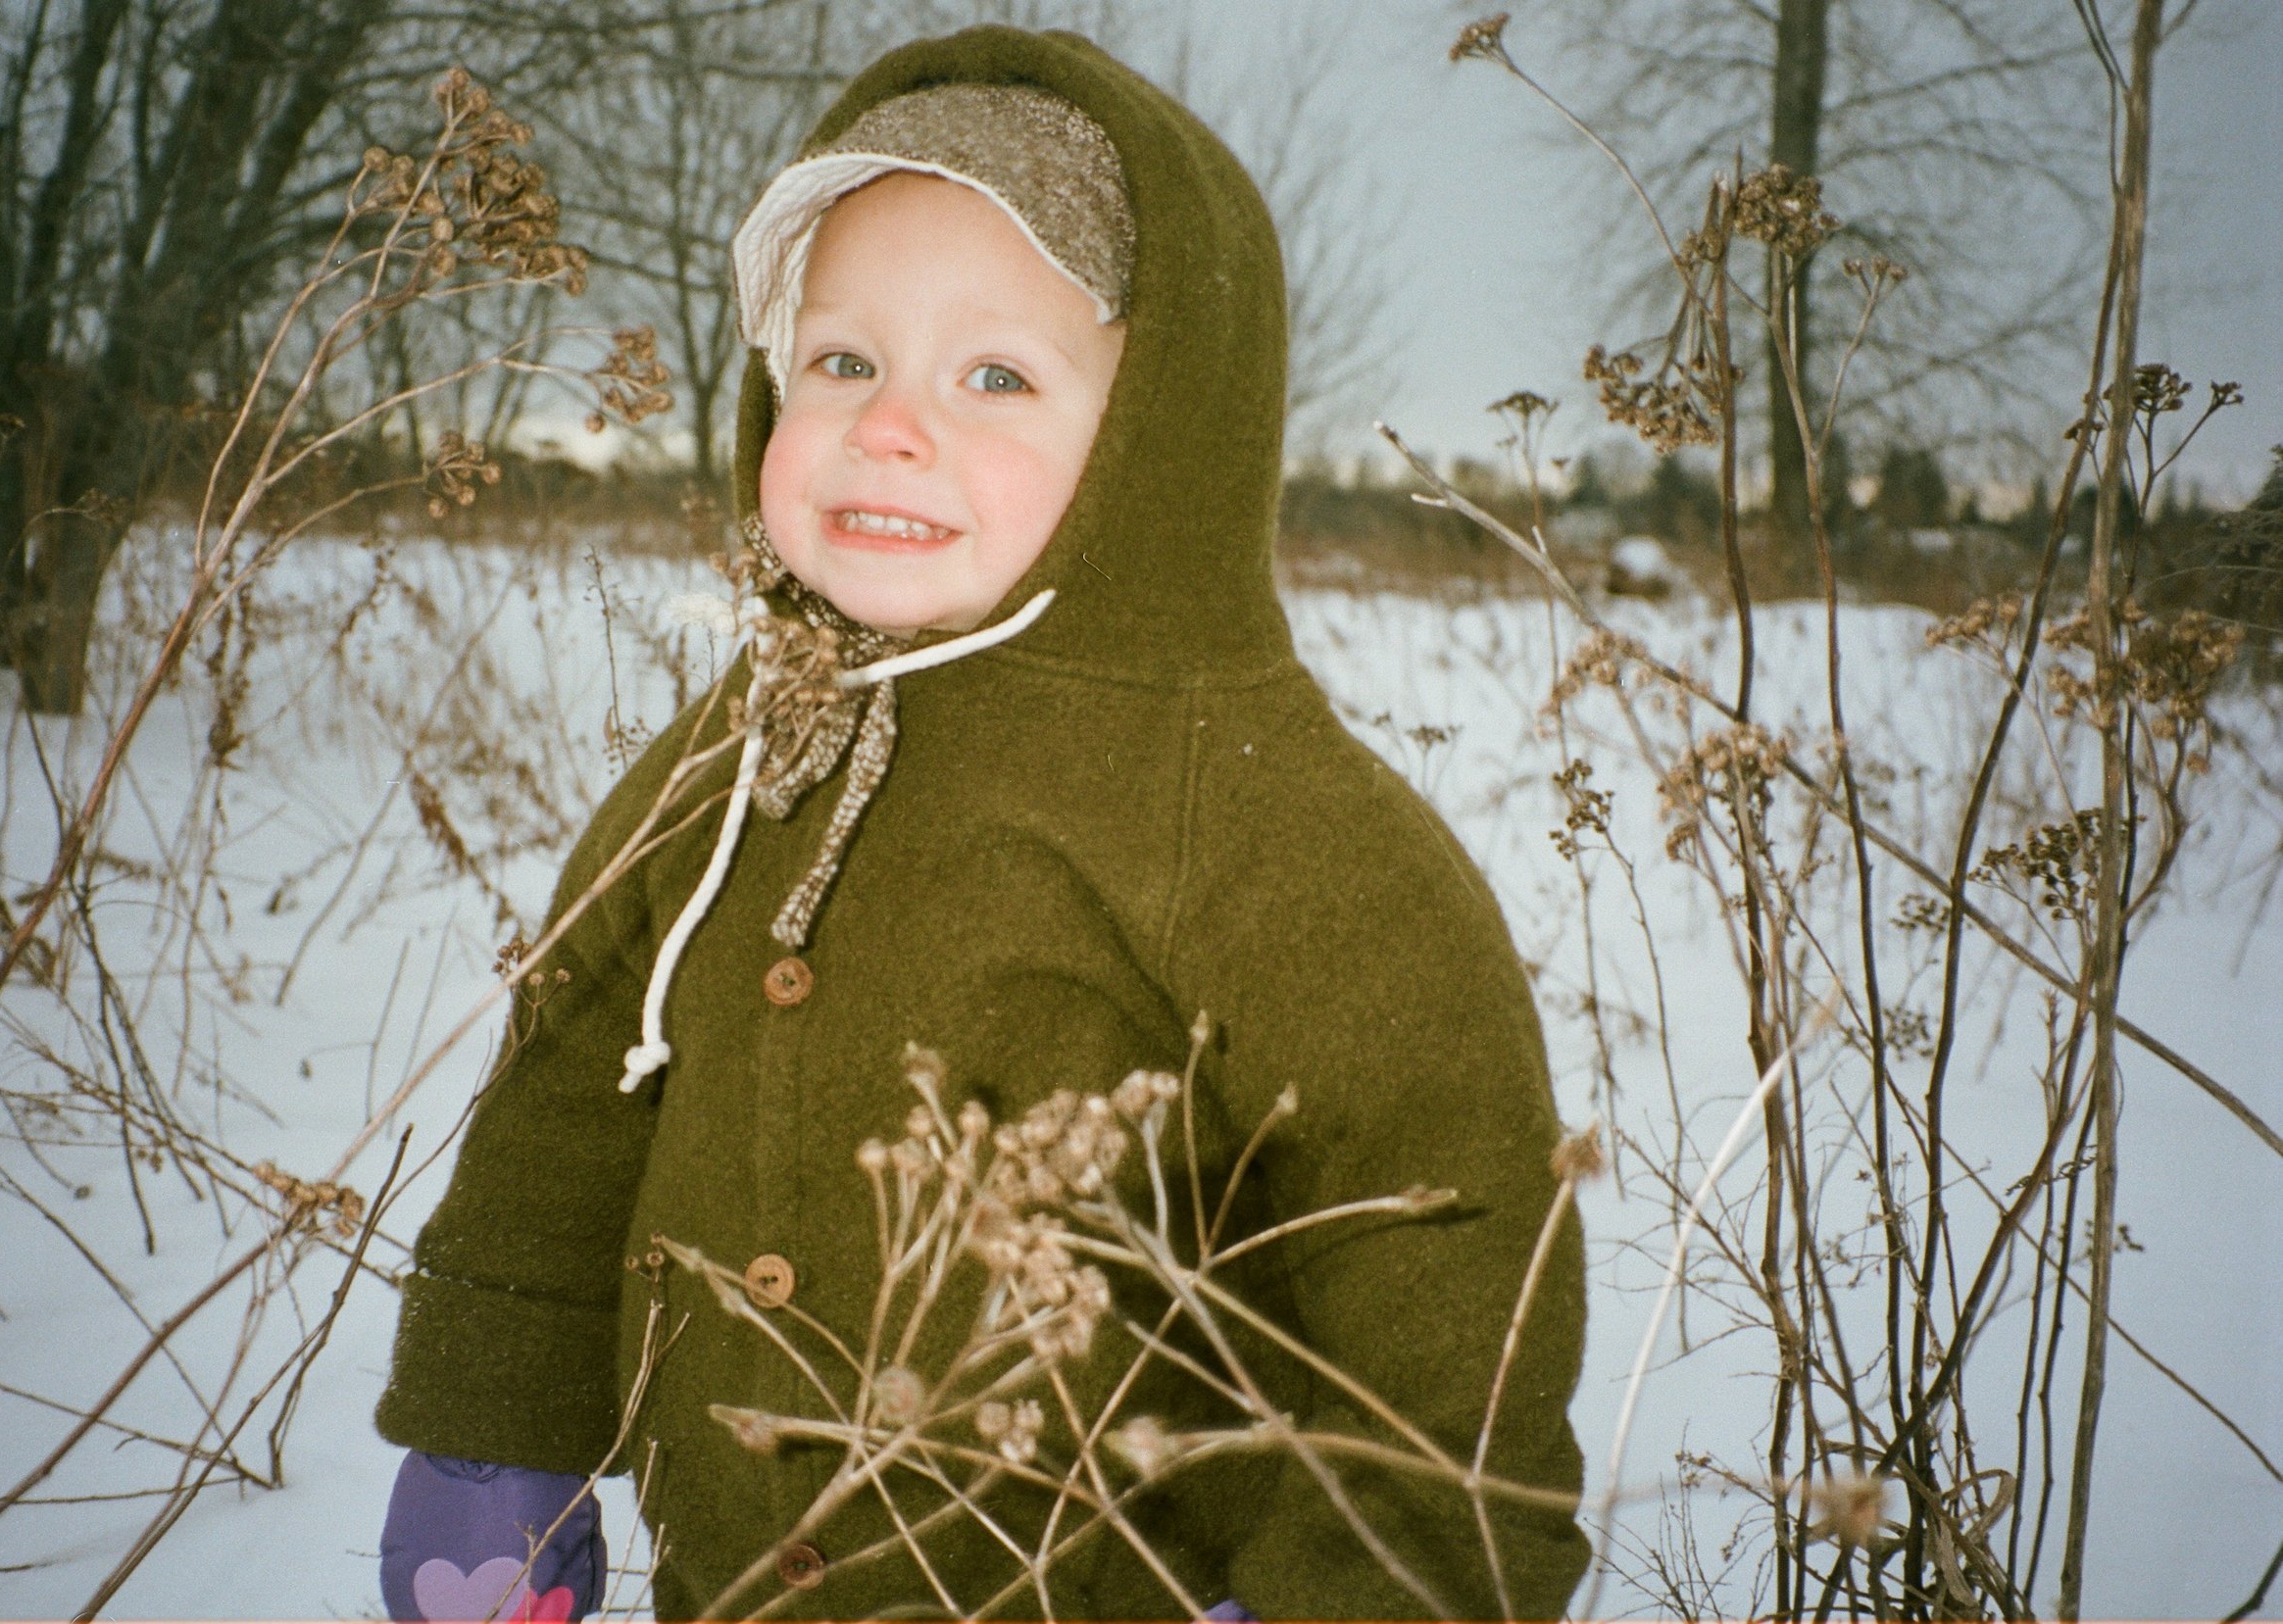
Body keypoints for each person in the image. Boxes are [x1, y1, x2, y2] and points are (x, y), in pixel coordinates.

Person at [375, 25, 1588, 1621]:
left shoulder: (1264, 812)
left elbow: (1448, 1300)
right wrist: (491, 1428)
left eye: (995, 375)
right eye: (841, 359)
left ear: (1161, 431)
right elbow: (573, 1092)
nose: (889, 423)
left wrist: (1349, 1593)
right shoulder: (742, 745)